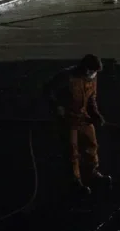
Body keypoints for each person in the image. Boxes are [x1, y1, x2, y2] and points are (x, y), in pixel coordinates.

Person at [46, 54, 109, 193]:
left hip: (84, 117)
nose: (94, 74)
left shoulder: (92, 77)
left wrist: (96, 115)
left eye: (95, 72)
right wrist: (57, 107)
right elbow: (49, 90)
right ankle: (75, 181)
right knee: (72, 150)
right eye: (92, 71)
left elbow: (92, 98)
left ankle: (92, 172)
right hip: (68, 119)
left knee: (91, 144)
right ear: (85, 68)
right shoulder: (66, 76)